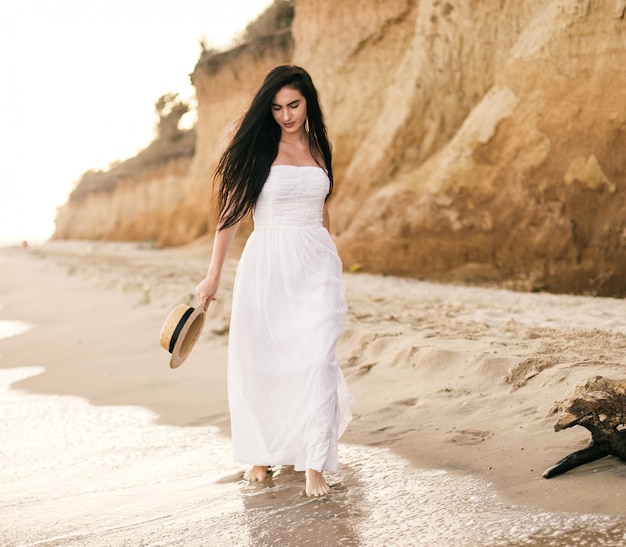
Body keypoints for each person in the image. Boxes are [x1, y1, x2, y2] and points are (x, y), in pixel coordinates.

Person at [195, 65, 353, 497]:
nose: (286, 115)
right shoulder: (258, 151)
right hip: (267, 263)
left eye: (294, 105)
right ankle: (262, 452)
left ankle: (315, 461)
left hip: (315, 262)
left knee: (317, 358)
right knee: (263, 360)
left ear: (308, 103)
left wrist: (332, 258)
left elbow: (323, 210)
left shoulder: (321, 148)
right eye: (278, 107)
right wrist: (213, 278)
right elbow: (229, 216)